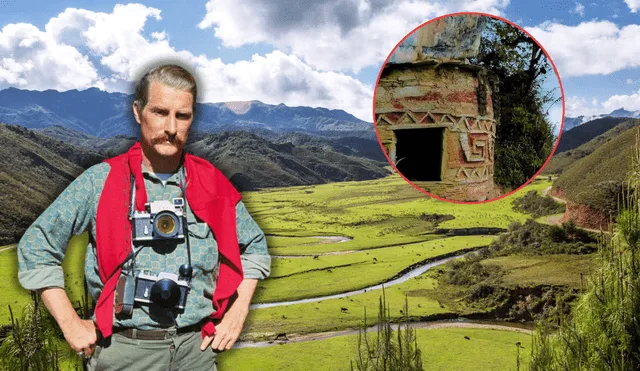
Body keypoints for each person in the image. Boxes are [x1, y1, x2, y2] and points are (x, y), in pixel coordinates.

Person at [17, 64, 271, 370]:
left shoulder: (212, 183)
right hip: (124, 352)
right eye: (160, 112)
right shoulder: (101, 181)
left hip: (196, 352)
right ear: (138, 112)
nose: (171, 128)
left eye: (183, 116)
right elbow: (36, 246)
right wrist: (70, 324)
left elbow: (255, 247)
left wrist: (237, 313)